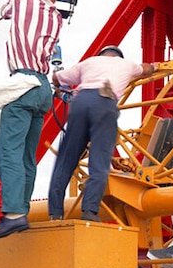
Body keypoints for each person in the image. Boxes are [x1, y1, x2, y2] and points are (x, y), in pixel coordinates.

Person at [0, 0, 63, 240]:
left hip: (22, 81)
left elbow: (4, 11)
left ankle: (13, 214)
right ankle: (22, 210)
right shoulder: (57, 18)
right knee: (27, 156)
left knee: (8, 152)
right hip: (43, 90)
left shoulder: (21, 0)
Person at [48, 46, 156, 221]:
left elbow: (56, 78)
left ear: (101, 55)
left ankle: (55, 212)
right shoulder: (127, 65)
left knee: (66, 159)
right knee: (99, 160)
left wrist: (57, 85)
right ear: (118, 57)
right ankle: (89, 211)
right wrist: (155, 66)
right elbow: (146, 69)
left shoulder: (89, 62)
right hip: (105, 102)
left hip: (80, 103)